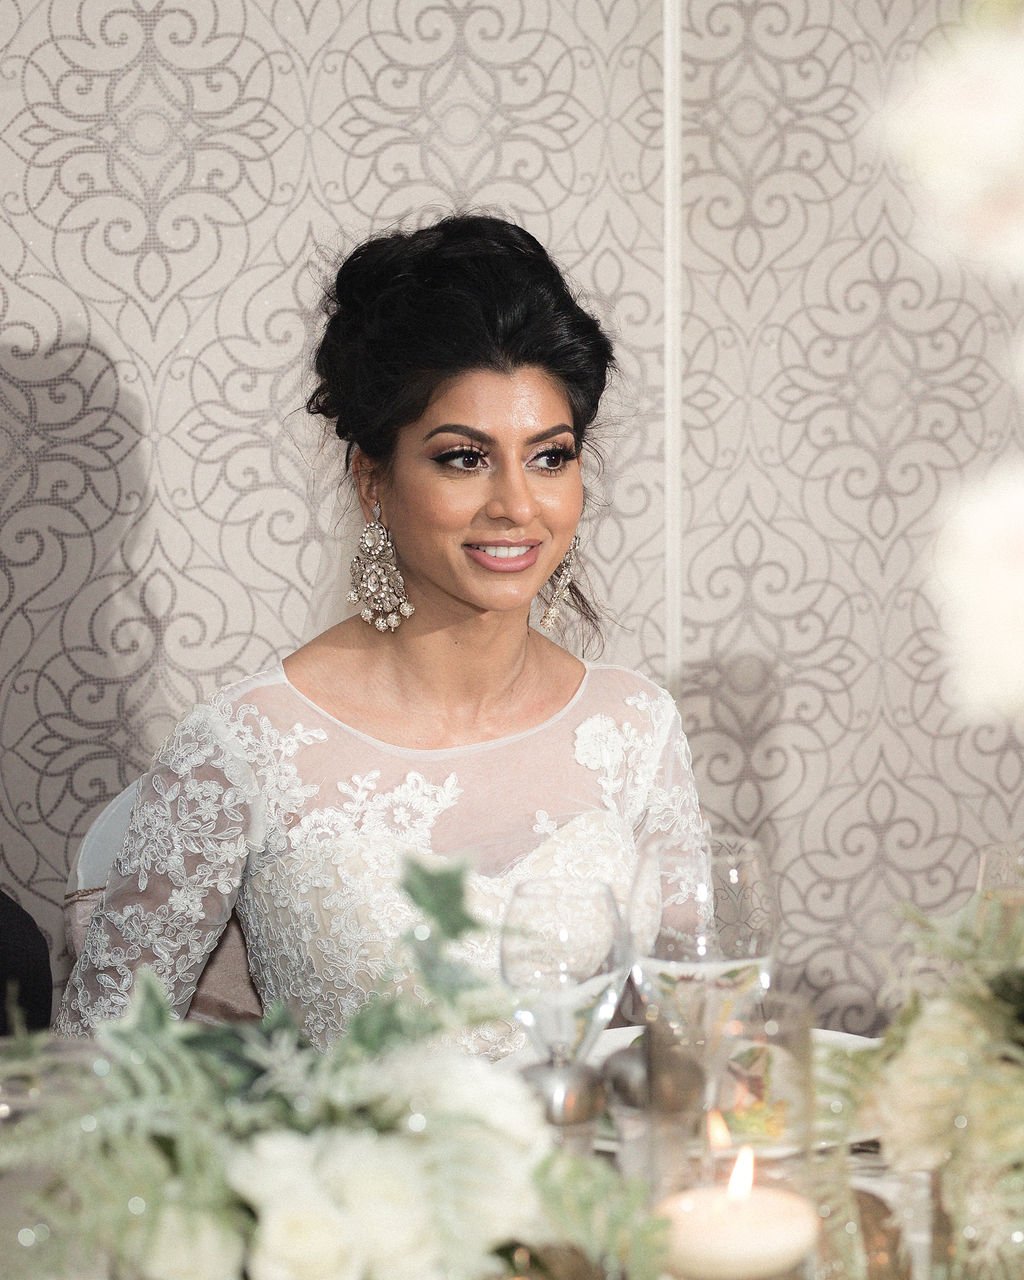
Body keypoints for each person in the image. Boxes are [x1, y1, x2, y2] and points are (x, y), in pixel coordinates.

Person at [55, 213, 707, 1056]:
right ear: (373, 478)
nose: (517, 504)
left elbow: (694, 1033)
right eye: (464, 458)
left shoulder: (636, 729)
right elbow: (97, 1070)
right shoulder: (245, 748)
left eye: (549, 456)